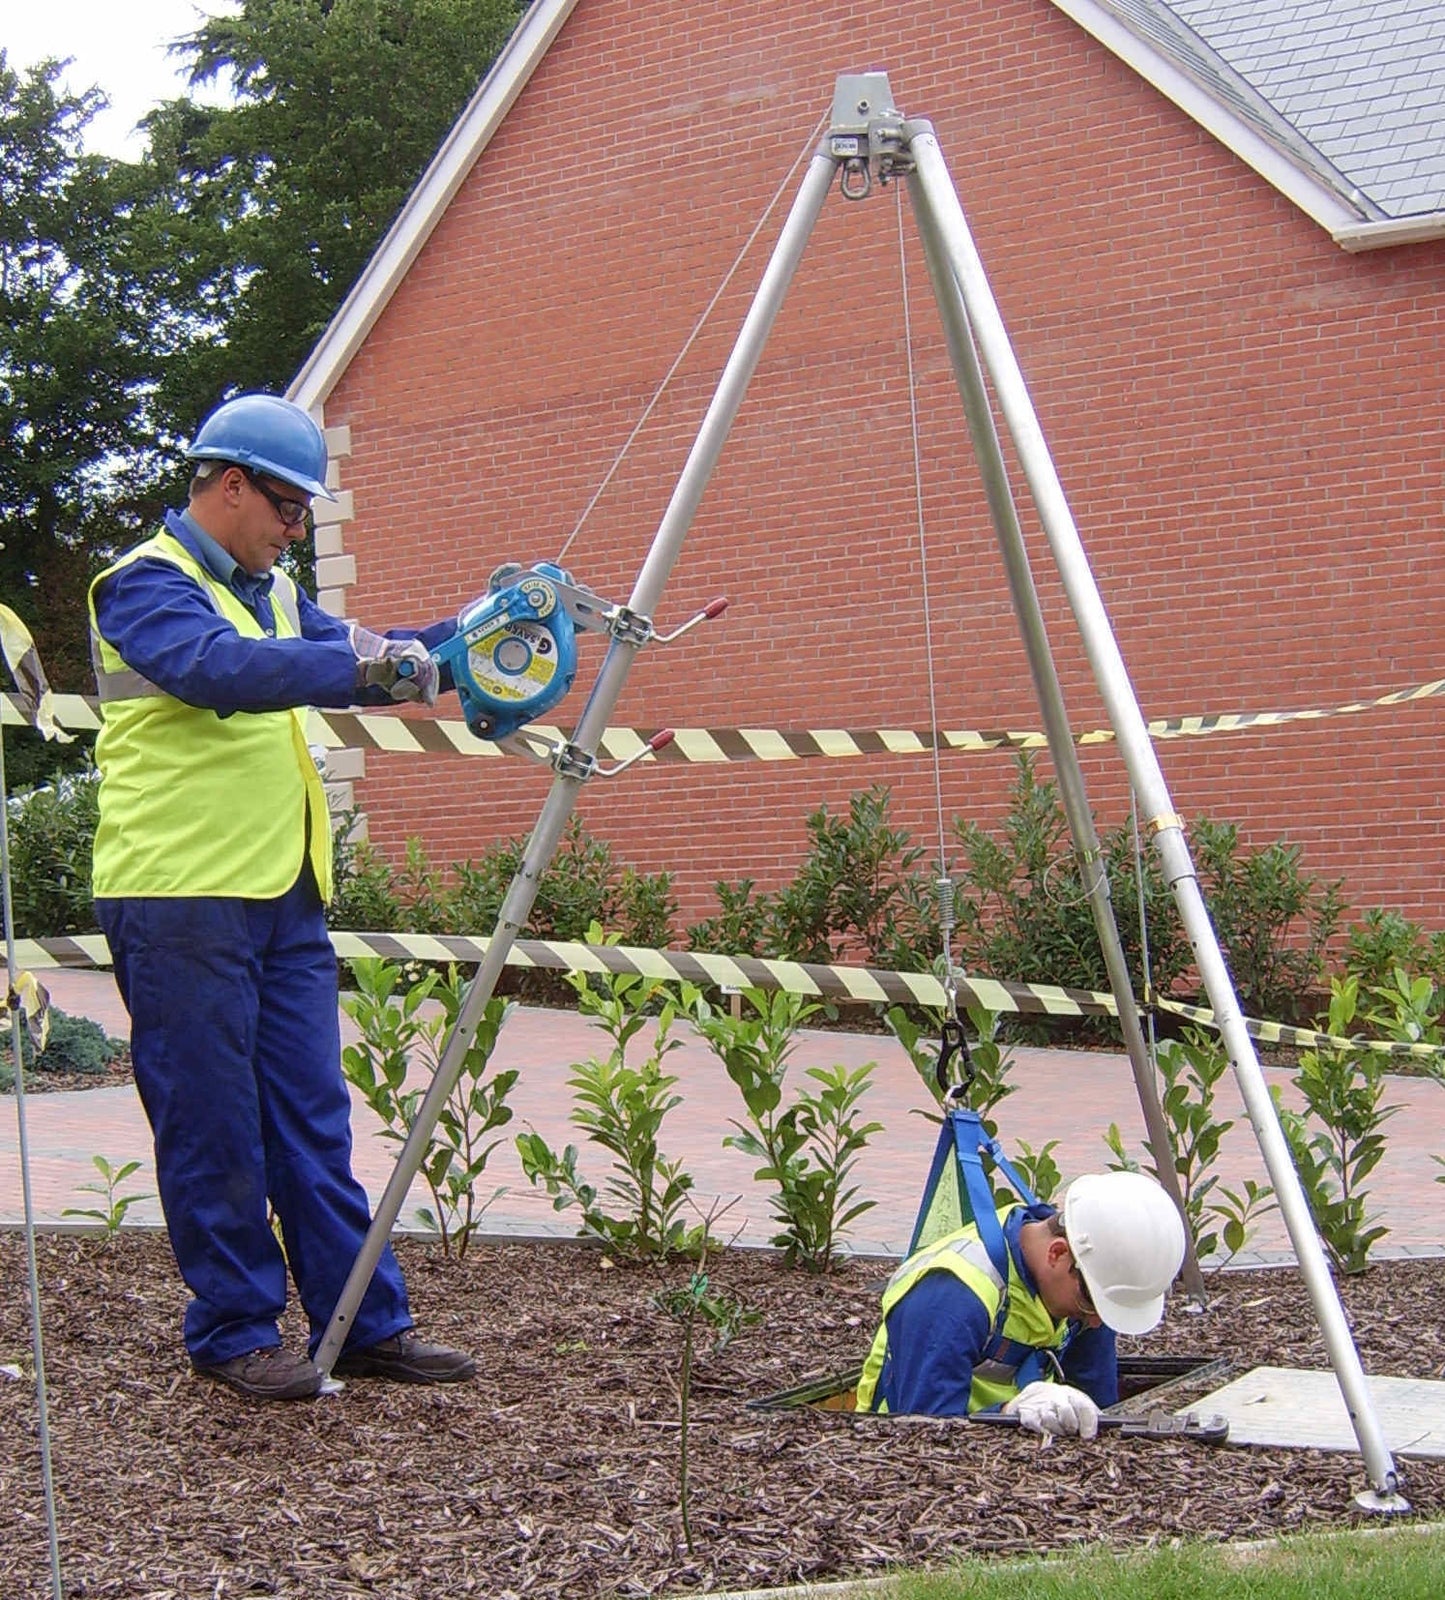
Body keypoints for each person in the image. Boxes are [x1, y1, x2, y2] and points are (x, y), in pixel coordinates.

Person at [88, 393, 476, 1402]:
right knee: (212, 1123)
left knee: (313, 1119)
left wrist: (475, 636)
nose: (294, 529)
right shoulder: (142, 588)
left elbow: (365, 651)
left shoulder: (270, 591)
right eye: (288, 508)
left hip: (281, 895)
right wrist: (371, 663)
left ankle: (360, 1323)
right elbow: (225, 672)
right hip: (179, 898)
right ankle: (232, 1330)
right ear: (229, 486)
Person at [854, 1170, 1186, 1436]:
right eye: (1093, 1303)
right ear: (1057, 1253)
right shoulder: (952, 1297)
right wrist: (1009, 1414)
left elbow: (1099, 1405)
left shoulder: (1086, 1280)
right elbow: (923, 1431)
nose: (1098, 1322)